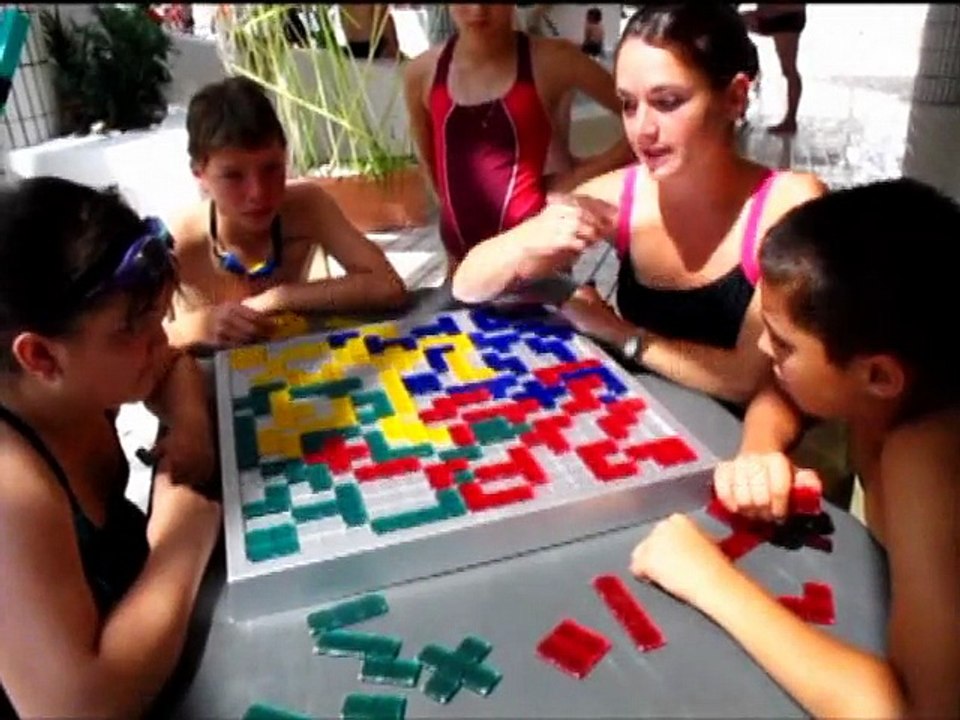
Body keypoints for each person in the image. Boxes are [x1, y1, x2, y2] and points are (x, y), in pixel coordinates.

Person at [630, 178, 960, 718]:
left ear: (878, 374)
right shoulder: (898, 378)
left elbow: (913, 711)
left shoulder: (924, 457)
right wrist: (761, 447)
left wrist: (708, 579)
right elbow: (784, 391)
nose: (762, 349)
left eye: (782, 345)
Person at [452, 4, 829, 474]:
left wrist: (617, 332)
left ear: (734, 97)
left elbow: (744, 377)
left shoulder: (786, 205)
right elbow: (467, 285)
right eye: (629, 104)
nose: (641, 130)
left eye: (667, 102)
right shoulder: (623, 197)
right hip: (650, 441)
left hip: (748, 459)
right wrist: (525, 244)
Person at [0, 177, 222, 717]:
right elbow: (76, 709)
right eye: (134, 330)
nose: (162, 340)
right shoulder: (12, 484)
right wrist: (179, 537)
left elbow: (172, 365)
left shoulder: (74, 385)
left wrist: (189, 425)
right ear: (42, 358)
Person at [164, 76, 408, 352]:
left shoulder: (307, 206)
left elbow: (388, 287)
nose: (258, 192)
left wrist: (279, 298)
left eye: (271, 168)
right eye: (233, 176)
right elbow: (132, 343)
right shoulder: (178, 242)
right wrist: (197, 326)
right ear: (200, 175)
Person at [402, 3, 634, 273]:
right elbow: (432, 165)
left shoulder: (553, 59)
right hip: (462, 263)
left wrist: (577, 179)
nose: (479, 10)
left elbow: (643, 118)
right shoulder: (423, 73)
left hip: (537, 262)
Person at [740, 4, 806, 135]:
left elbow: (798, 6)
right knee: (732, 21)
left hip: (786, 18)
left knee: (789, 70)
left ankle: (790, 120)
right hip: (773, 15)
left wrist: (770, 9)